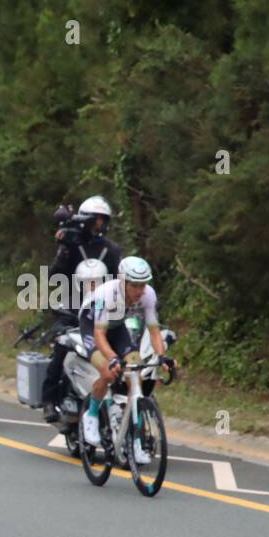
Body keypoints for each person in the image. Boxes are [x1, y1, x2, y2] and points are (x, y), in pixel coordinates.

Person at [78, 257, 172, 462]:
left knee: (135, 374)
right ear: (123, 281)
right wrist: (112, 358)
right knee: (108, 372)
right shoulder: (105, 294)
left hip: (117, 326)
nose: (139, 291)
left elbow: (154, 331)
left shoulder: (148, 296)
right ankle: (91, 415)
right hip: (93, 325)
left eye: (143, 285)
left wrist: (162, 356)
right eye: (135, 285)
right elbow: (100, 335)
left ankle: (136, 441)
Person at [42, 195, 123, 421]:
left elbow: (120, 280)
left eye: (103, 220)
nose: (99, 225)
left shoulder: (112, 250)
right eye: (95, 220)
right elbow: (55, 277)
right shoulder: (72, 245)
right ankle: (49, 400)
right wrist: (63, 249)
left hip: (104, 310)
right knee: (60, 347)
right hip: (72, 307)